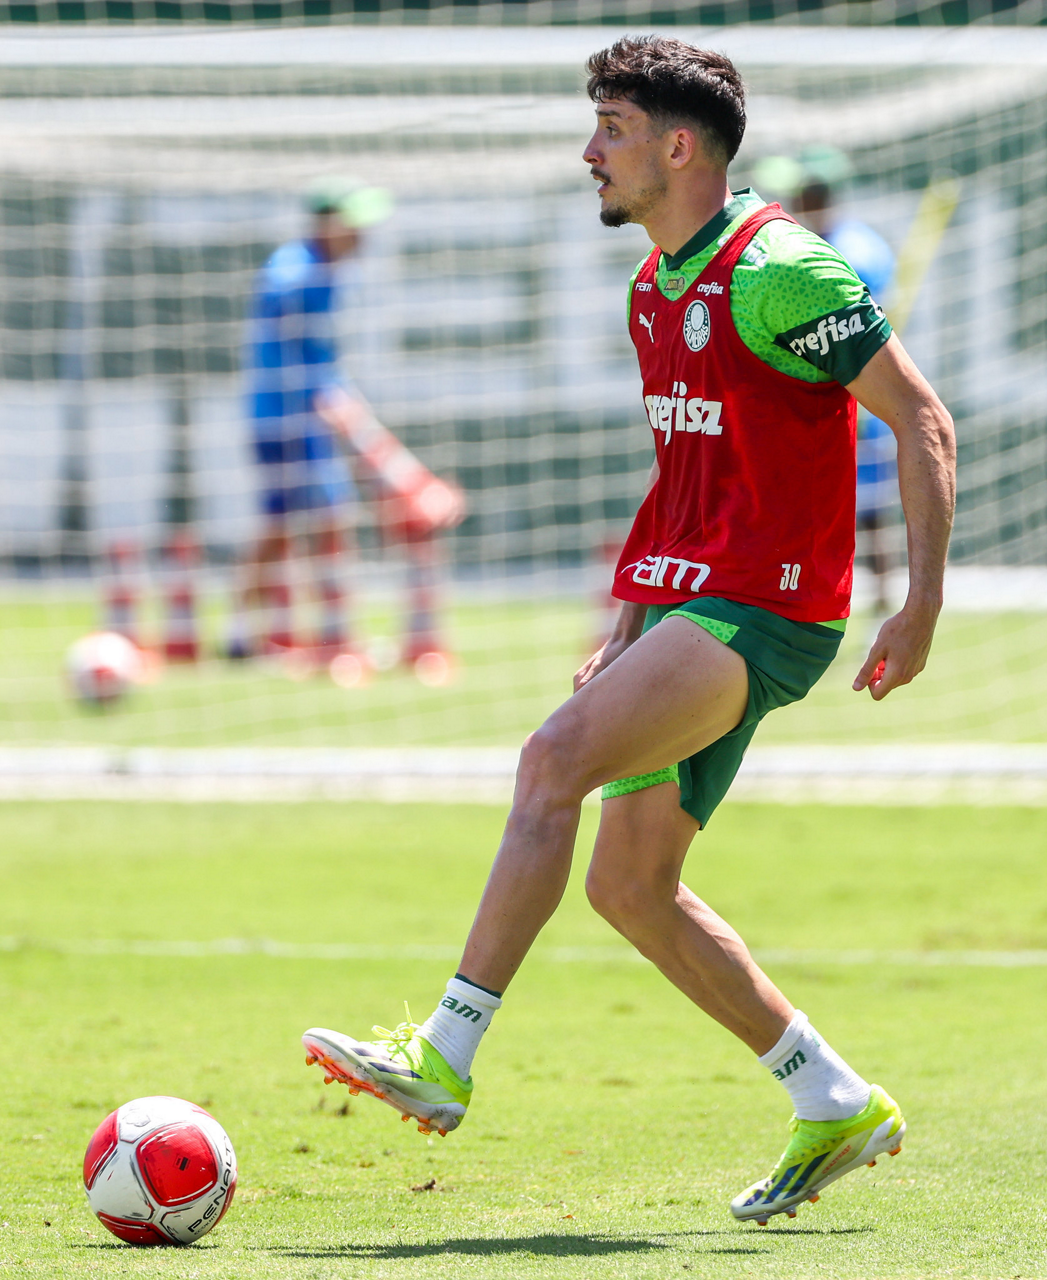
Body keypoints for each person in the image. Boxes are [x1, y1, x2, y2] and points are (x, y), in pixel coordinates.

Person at [302, 36, 955, 1227]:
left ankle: (444, 1051)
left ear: (679, 146)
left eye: (610, 128)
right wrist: (628, 623)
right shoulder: (654, 284)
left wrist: (917, 603)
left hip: (766, 605)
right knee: (631, 885)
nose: (588, 151)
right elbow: (685, 480)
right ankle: (833, 1097)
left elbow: (920, 420)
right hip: (692, 598)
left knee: (550, 759)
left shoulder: (782, 271)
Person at [226, 181, 392, 662]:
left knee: (292, 523)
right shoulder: (300, 269)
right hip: (284, 418)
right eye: (354, 224)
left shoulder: (327, 272)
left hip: (296, 417)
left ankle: (249, 632)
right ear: (328, 224)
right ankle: (331, 636)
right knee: (320, 520)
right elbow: (282, 310)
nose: (362, 235)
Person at [795, 175, 898, 615]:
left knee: (868, 511)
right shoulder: (802, 246)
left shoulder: (854, 250)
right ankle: (811, 600)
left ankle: (880, 604)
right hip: (811, 400)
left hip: (857, 399)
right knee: (814, 510)